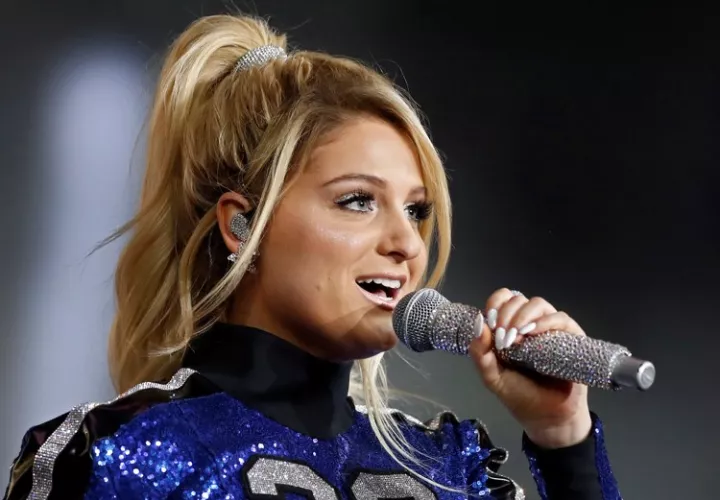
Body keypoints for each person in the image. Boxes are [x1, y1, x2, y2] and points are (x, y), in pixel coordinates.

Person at [3, 14, 622, 500]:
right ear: (242, 225)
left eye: (416, 210)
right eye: (357, 201)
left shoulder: (451, 468)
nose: (407, 243)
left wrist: (563, 438)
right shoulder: (114, 451)